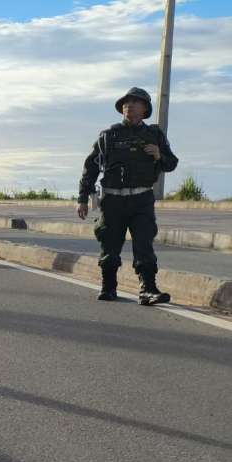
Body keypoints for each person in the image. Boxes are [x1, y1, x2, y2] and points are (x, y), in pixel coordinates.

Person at [77, 87, 178, 305]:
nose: (128, 105)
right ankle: (108, 287)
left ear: (145, 109)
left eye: (135, 102)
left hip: (141, 200)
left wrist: (159, 155)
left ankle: (148, 290)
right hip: (113, 200)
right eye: (125, 102)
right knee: (109, 245)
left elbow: (172, 163)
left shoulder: (154, 135)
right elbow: (90, 168)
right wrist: (82, 199)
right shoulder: (108, 136)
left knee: (144, 245)